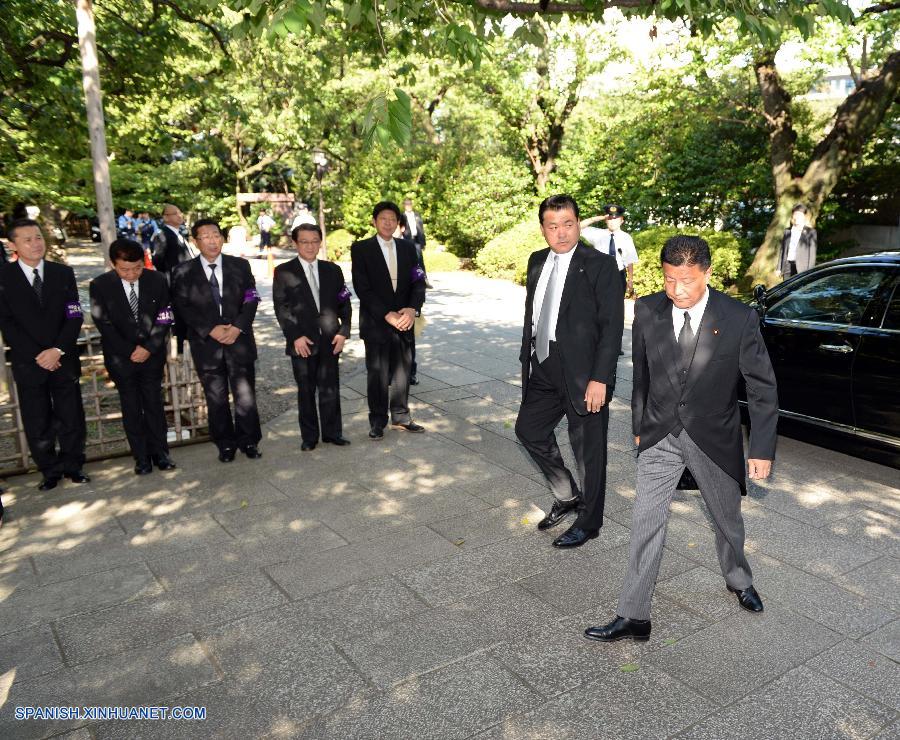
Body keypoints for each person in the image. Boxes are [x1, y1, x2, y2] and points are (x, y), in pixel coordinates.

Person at [585, 235, 778, 643]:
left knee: (727, 520)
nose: (677, 291)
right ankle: (633, 614)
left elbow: (762, 388)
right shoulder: (646, 309)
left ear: (707, 273)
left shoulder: (739, 317)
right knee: (645, 520)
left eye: (687, 281)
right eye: (670, 280)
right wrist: (638, 424)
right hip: (660, 433)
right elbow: (641, 374)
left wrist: (760, 448)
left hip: (713, 437)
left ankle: (739, 578)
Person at [515, 195, 624, 549]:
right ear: (543, 228)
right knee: (528, 429)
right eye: (552, 225)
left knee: (588, 452)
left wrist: (601, 379)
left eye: (568, 224)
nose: (561, 233)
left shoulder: (601, 266)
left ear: (578, 223)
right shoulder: (536, 261)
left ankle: (589, 523)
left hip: (584, 372)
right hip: (544, 364)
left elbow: (612, 327)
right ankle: (566, 495)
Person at [0, 219, 89, 490]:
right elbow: (6, 323)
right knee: (37, 417)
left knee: (71, 414)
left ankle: (73, 465)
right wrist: (40, 354)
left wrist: (57, 349)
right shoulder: (4, 277)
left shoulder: (63, 273)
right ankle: (49, 470)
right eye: (27, 239)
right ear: (12, 245)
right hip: (30, 362)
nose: (35, 243)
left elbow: (74, 313)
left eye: (38, 237)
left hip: (63, 357)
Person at [172, 219, 263, 462]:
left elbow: (251, 297)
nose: (212, 241)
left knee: (245, 395)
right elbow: (182, 306)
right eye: (206, 236)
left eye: (216, 235)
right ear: (195, 241)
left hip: (239, 340)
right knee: (216, 397)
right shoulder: (182, 271)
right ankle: (224, 444)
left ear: (222, 238)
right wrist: (209, 329)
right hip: (207, 344)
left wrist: (238, 327)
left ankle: (249, 441)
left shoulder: (240, 266)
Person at [89, 239, 177, 475]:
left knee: (154, 403)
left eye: (137, 268)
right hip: (121, 358)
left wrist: (149, 346)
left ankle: (161, 453)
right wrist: (130, 350)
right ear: (113, 264)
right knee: (131, 405)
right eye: (125, 269)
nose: (131, 274)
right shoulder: (100, 285)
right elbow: (103, 323)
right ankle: (141, 458)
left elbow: (165, 315)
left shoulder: (157, 280)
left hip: (152, 354)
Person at [351, 201, 426, 439]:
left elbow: (419, 281)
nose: (388, 222)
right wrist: (387, 314)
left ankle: (401, 417)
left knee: (403, 372)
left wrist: (412, 309)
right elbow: (363, 288)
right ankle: (377, 421)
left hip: (405, 321)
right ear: (374, 221)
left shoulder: (409, 249)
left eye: (392, 219)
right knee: (378, 374)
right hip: (376, 322)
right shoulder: (361, 249)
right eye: (383, 218)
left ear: (398, 223)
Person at [274, 224, 352, 450]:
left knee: (330, 388)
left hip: (330, 339)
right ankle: (309, 437)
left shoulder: (333, 270)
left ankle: (332, 433)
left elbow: (344, 302)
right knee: (306, 390)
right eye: (304, 241)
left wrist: (343, 331)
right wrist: (295, 337)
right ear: (296, 243)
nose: (310, 246)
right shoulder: (283, 271)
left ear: (320, 242)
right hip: (302, 342)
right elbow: (282, 308)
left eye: (315, 240)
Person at [581, 204, 639, 296]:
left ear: (621, 221)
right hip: (599, 275)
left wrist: (630, 280)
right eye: (610, 219)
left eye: (615, 219)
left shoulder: (626, 237)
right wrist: (597, 218)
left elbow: (629, 260)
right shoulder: (597, 234)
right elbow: (578, 227)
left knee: (617, 305)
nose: (612, 222)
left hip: (619, 275)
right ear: (606, 220)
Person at [151, 204, 195, 275]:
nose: (179, 215)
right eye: (175, 213)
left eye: (180, 213)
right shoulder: (162, 235)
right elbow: (157, 261)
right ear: (165, 217)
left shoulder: (179, 233)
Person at [778, 204, 817, 279]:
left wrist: (810, 271)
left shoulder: (811, 232)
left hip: (803, 268)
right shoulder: (787, 231)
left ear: (804, 216)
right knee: (787, 289)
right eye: (795, 214)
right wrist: (779, 268)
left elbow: (812, 255)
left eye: (799, 214)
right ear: (792, 216)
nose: (797, 216)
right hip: (787, 266)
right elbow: (782, 250)